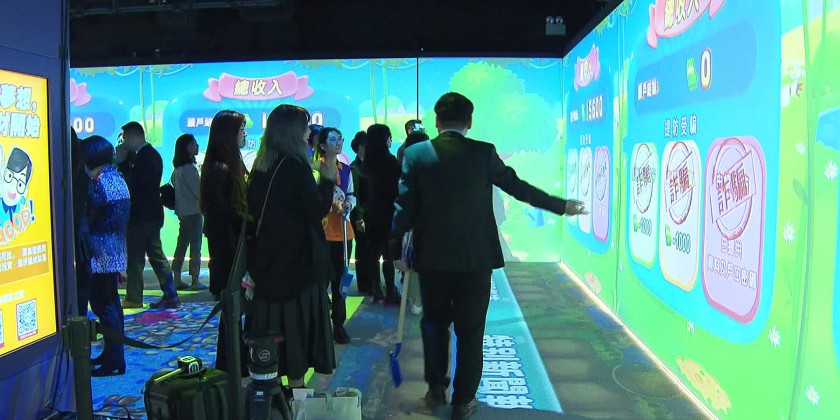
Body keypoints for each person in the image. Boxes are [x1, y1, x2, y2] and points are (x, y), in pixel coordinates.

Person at [389, 92, 587, 419]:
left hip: (432, 260)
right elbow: (517, 187)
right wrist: (561, 206)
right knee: (470, 331)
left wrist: (396, 251)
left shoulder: (416, 154)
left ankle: (436, 390)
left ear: (437, 121)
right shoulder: (483, 153)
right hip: (475, 260)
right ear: (469, 122)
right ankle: (464, 399)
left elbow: (403, 207)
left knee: (434, 326)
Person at [246, 104, 336, 388]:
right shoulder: (295, 167)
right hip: (298, 265)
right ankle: (297, 393)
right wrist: (328, 179)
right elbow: (316, 209)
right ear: (294, 132)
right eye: (306, 127)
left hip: (268, 263)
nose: (309, 133)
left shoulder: (261, 167)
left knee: (272, 333)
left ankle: (270, 387)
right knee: (297, 332)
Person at [199, 110, 250, 376]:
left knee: (234, 313)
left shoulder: (229, 165)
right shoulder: (221, 170)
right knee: (231, 313)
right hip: (229, 253)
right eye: (241, 129)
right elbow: (225, 218)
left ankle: (233, 363)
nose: (245, 134)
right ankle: (229, 365)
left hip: (231, 250)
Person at [81, 135, 131, 377]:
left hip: (100, 251)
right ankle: (113, 353)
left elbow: (91, 216)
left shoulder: (99, 183)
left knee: (103, 305)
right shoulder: (116, 178)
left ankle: (113, 358)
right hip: (115, 248)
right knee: (112, 304)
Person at [117, 121, 179, 309]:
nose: (124, 143)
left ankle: (134, 297)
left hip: (141, 216)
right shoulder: (151, 155)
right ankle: (170, 294)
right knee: (155, 255)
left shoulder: (144, 157)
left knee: (136, 258)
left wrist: (123, 164)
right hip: (151, 214)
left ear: (134, 136)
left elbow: (133, 186)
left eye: (125, 138)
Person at [313, 127, 355, 344]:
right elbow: (313, 198)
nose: (338, 142)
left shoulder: (346, 169)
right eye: (333, 139)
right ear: (322, 145)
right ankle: (319, 326)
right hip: (322, 233)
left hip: (344, 233)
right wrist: (332, 205)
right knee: (320, 282)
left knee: (341, 282)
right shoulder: (315, 167)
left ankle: (339, 324)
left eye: (340, 139)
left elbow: (351, 195)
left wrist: (348, 205)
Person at [364, 124, 401, 304]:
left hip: (371, 213)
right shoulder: (391, 162)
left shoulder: (366, 163)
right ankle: (391, 290)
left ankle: (377, 289)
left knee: (373, 252)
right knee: (388, 254)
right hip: (389, 213)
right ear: (385, 139)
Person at [397, 130, 430, 315]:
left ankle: (417, 300)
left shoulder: (405, 169)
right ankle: (418, 300)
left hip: (414, 228)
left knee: (414, 264)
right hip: (422, 228)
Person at [170, 134, 206, 290]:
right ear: (187, 148)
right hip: (194, 212)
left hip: (182, 213)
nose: (197, 146)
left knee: (181, 245)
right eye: (194, 143)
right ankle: (195, 280)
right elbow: (198, 192)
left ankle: (176, 278)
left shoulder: (177, 170)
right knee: (195, 246)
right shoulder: (190, 169)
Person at [71, 128, 92, 316]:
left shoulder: (74, 175)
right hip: (81, 237)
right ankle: (80, 323)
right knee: (82, 288)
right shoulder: (83, 175)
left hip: (77, 238)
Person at [349, 131, 373, 295]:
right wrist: (360, 217)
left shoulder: (368, 166)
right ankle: (364, 284)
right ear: (361, 148)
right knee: (363, 249)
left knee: (368, 249)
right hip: (360, 215)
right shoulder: (355, 168)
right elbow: (356, 196)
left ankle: (370, 282)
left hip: (369, 214)